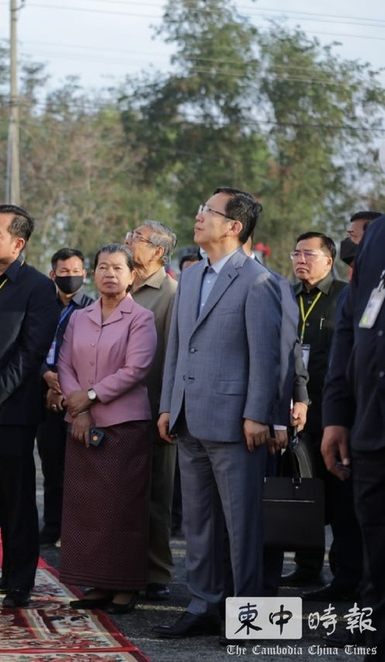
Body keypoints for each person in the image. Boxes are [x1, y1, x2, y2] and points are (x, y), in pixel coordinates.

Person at [153, 188, 284, 639]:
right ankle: (203, 604)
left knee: (242, 525)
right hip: (189, 418)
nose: (198, 216)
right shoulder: (190, 277)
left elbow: (267, 356)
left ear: (234, 226)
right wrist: (168, 404)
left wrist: (258, 414)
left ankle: (248, 616)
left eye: (207, 211)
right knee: (199, 523)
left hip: (235, 423)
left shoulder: (259, 280)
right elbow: (177, 348)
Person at [0, 205, 57, 608]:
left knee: (15, 502)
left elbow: (31, 352)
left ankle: (19, 582)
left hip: (10, 412)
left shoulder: (37, 287)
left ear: (18, 243)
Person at [57, 243, 156, 615]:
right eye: (102, 267)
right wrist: (78, 407)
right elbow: (64, 364)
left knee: (121, 509)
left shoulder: (140, 318)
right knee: (87, 509)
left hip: (124, 427)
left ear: (132, 276)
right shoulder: (79, 317)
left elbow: (136, 369)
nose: (109, 274)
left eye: (117, 268)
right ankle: (96, 583)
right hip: (81, 425)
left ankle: (124, 586)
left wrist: (90, 397)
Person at [321, 216, 385, 658]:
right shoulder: (377, 236)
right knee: (376, 557)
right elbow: (350, 329)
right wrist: (336, 416)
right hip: (370, 429)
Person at [284, 232, 359, 600]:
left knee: (341, 500)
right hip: (293, 413)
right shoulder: (286, 296)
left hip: (332, 413)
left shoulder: (345, 295)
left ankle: (346, 574)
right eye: (296, 253)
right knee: (303, 491)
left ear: (329, 261)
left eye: (309, 254)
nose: (301, 259)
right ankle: (307, 566)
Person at [124, 221, 178, 602]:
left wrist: (170, 408)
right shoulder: (120, 285)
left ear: (158, 251)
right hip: (116, 409)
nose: (129, 241)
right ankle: (119, 568)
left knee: (157, 495)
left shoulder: (171, 293)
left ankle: (157, 572)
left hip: (155, 407)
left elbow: (174, 356)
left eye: (137, 238)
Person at [36, 248, 94, 548]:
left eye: (75, 272)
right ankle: (52, 525)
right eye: (64, 272)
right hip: (43, 395)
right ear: (52, 274)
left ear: (84, 274)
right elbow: (31, 345)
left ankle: (76, 527)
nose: (70, 277)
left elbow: (90, 355)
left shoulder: (92, 309)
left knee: (79, 468)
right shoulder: (41, 306)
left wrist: (63, 388)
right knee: (50, 465)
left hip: (79, 398)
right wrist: (47, 377)